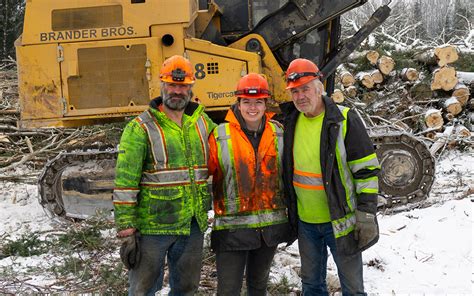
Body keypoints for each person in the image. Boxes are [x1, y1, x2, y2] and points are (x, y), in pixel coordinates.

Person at [112, 55, 216, 295]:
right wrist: (127, 227)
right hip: (153, 227)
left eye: (182, 86)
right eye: (172, 85)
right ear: (162, 86)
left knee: (187, 288)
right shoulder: (141, 127)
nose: (176, 91)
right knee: (143, 289)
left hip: (192, 224)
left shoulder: (201, 121)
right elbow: (125, 181)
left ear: (190, 88)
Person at [280, 58, 380, 295]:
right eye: (294, 91)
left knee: (352, 288)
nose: (300, 96)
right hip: (306, 223)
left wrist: (366, 213)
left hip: (341, 222)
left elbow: (366, 170)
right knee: (312, 286)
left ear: (319, 87)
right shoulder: (291, 122)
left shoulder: (343, 120)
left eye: (305, 89)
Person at [208, 73, 291, 296]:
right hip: (231, 232)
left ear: (266, 104)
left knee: (258, 288)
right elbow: (205, 176)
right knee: (228, 290)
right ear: (238, 103)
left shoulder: (279, 133)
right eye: (246, 102)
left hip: (268, 231)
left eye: (258, 102)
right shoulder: (220, 135)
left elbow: (288, 177)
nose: (252, 107)